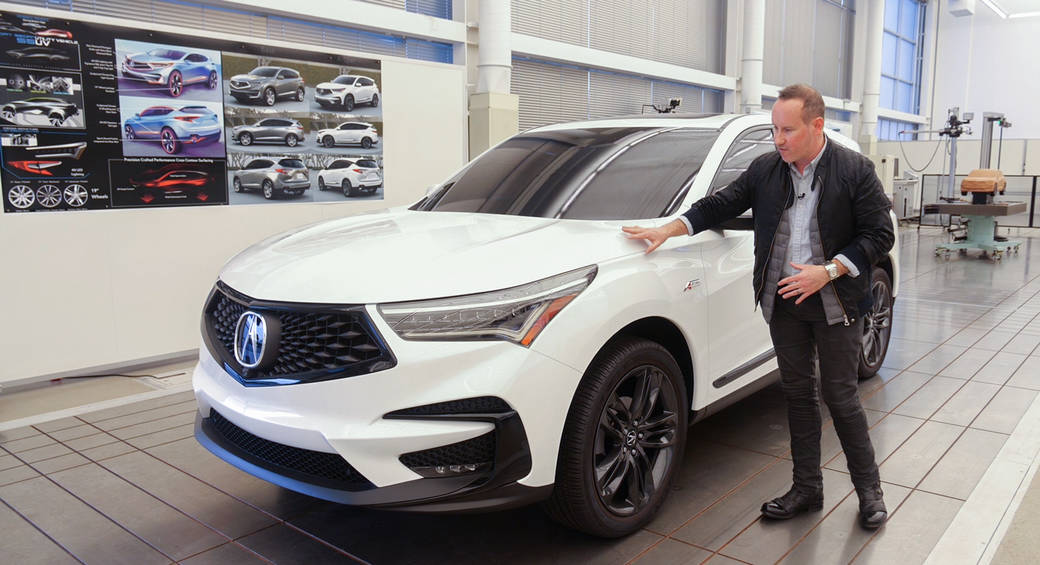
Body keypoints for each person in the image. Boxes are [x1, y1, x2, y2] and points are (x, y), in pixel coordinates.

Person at [622, 84, 894, 530]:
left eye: (788, 130)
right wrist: (671, 228)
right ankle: (807, 487)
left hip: (835, 301)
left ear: (816, 126)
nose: (779, 139)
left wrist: (826, 271)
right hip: (784, 302)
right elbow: (721, 204)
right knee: (798, 397)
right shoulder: (767, 170)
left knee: (840, 398)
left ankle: (870, 493)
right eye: (774, 130)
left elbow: (880, 235)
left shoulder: (854, 170)